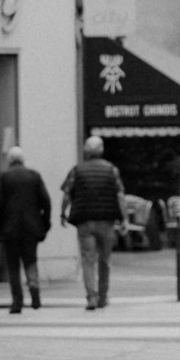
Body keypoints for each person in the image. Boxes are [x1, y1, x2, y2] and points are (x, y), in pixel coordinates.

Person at [62, 133, 126, 310]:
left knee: (88, 259)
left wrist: (62, 212)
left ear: (86, 151)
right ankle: (103, 296)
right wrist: (124, 218)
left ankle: (91, 297)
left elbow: (67, 193)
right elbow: (120, 195)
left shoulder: (77, 170)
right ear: (102, 150)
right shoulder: (111, 169)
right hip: (106, 221)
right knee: (105, 259)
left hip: (84, 222)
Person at [0, 145, 51, 313]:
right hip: (31, 228)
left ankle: (17, 301)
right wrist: (45, 224)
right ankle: (35, 295)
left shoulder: (3, 178)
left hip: (10, 230)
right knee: (31, 261)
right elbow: (46, 202)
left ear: (9, 160)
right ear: (23, 159)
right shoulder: (34, 176)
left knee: (13, 266)